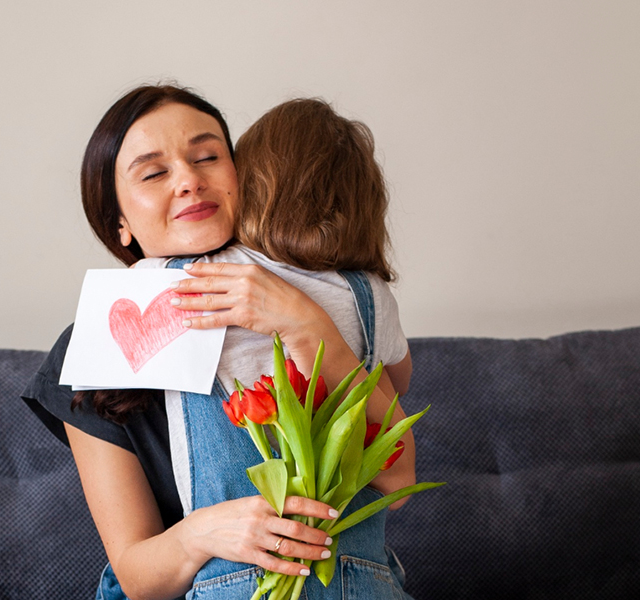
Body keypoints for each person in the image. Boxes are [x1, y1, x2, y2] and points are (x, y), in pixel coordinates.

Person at [22, 85, 413, 600]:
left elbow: (398, 476)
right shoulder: (98, 345)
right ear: (119, 222)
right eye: (154, 173)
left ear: (244, 175)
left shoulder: (340, 295)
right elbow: (137, 577)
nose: (189, 180)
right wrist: (204, 532)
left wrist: (308, 326)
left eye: (207, 157)